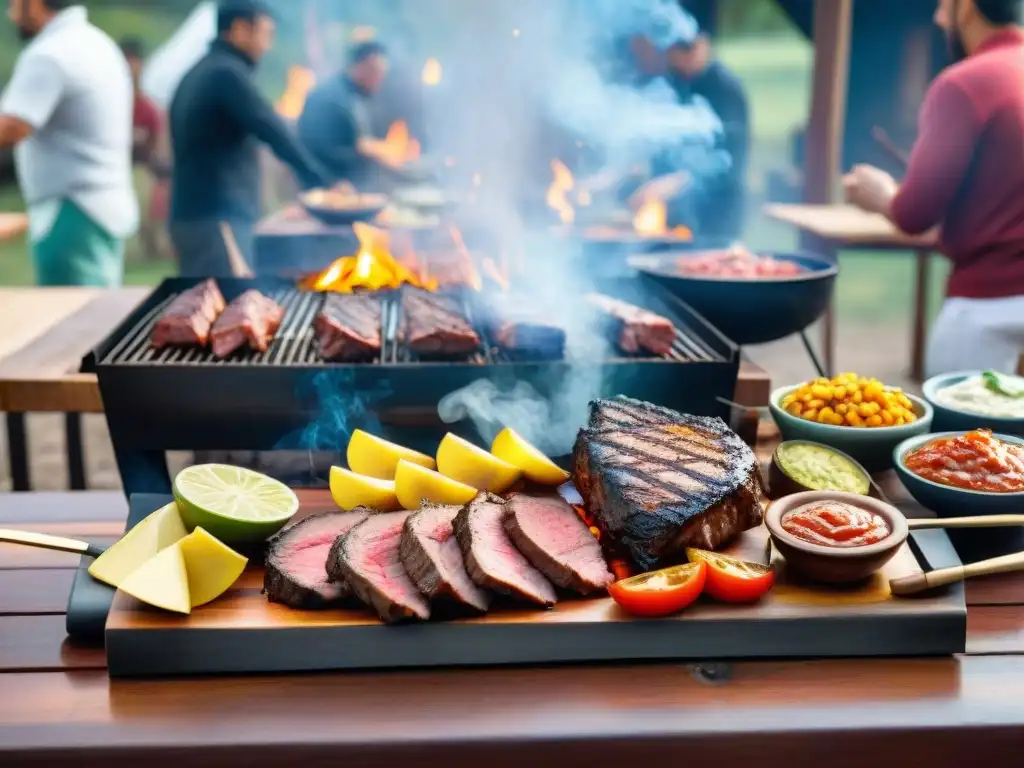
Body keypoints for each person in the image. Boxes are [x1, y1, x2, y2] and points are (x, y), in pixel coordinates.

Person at [843, 0, 1024, 376]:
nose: (939, 17)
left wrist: (881, 194)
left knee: (964, 435)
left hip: (988, 308)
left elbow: (915, 213)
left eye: (943, 4)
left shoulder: (964, 83)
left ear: (967, 7)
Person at [169, 0, 333, 277]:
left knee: (209, 306)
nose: (267, 45)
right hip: (217, 219)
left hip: (199, 215)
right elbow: (273, 129)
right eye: (265, 33)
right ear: (240, 29)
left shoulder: (201, 70)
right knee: (226, 309)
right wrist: (321, 182)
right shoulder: (226, 75)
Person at [0, 0, 138, 286]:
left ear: (34, 3)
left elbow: (12, 127)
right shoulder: (96, 42)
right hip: (100, 205)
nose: (10, 13)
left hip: (73, 213)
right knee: (99, 313)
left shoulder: (50, 54)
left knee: (78, 321)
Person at [667, 34, 750, 240]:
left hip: (719, 208)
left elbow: (730, 156)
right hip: (683, 212)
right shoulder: (678, 83)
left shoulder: (726, 88)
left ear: (702, 46)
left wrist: (677, 180)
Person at [296, 41, 398, 189]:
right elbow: (315, 149)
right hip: (329, 189)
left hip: (352, 187)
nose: (380, 80)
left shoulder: (354, 94)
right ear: (362, 66)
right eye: (377, 73)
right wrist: (364, 152)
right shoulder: (329, 97)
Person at [121, 37, 171, 261]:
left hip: (142, 169)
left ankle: (153, 245)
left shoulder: (148, 109)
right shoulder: (111, 104)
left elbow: (157, 150)